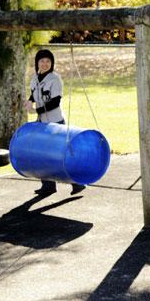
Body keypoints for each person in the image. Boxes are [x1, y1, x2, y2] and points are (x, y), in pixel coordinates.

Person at [24, 49, 86, 196]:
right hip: (42, 123)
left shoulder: (55, 79)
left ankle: (77, 183)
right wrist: (29, 101)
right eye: (42, 61)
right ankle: (48, 185)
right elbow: (34, 92)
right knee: (43, 155)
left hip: (55, 122)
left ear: (52, 63)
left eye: (48, 61)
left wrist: (36, 111)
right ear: (37, 63)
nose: (45, 64)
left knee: (61, 154)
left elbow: (55, 102)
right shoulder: (35, 78)